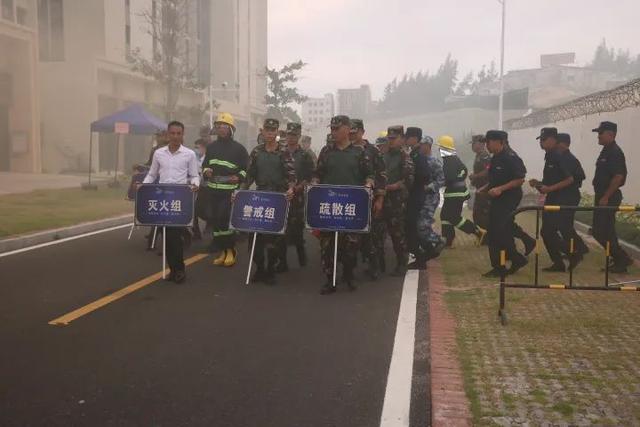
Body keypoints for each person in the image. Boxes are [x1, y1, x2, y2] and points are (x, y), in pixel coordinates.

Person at [313, 115, 374, 295]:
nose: (333, 132)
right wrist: (315, 182)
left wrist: (369, 184)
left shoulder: (359, 152)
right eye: (331, 129)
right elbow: (317, 173)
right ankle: (329, 279)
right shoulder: (326, 151)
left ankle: (348, 275)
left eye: (337, 129)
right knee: (327, 246)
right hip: (329, 206)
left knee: (350, 246)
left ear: (348, 129)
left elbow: (370, 174)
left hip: (351, 207)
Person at [141, 121, 200, 283]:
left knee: (174, 235)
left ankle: (179, 270)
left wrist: (195, 185)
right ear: (167, 134)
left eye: (178, 133)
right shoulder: (159, 153)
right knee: (166, 235)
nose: (175, 136)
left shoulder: (189, 154)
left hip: (179, 199)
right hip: (162, 199)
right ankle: (173, 270)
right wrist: (144, 188)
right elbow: (152, 174)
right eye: (172, 133)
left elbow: (195, 175)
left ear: (183, 135)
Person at [242, 118, 296, 285]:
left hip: (278, 198)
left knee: (275, 238)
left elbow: (291, 175)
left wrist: (291, 189)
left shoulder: (284, 152)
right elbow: (249, 175)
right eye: (267, 130)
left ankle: (271, 269)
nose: (270, 133)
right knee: (256, 236)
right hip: (260, 197)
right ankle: (259, 268)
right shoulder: (257, 152)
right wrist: (240, 190)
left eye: (273, 130)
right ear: (263, 132)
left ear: (277, 132)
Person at [528, 127, 580, 272]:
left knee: (550, 231)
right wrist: (539, 185)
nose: (541, 143)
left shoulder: (558, 156)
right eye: (540, 140)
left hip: (562, 199)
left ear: (553, 139)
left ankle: (573, 253)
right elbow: (550, 181)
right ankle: (561, 261)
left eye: (544, 140)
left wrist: (549, 189)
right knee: (546, 232)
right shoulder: (550, 156)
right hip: (553, 198)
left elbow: (569, 179)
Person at [202, 112, 249, 267]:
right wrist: (206, 171)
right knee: (214, 220)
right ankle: (223, 251)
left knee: (224, 219)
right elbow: (205, 165)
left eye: (225, 127)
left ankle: (231, 250)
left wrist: (239, 177)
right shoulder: (211, 147)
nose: (221, 129)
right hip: (212, 190)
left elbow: (246, 169)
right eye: (219, 126)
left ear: (231, 129)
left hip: (229, 192)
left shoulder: (239, 149)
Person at [482, 130, 528, 277]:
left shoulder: (511, 157)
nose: (486, 145)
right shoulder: (495, 158)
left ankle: (515, 258)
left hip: (509, 198)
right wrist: (485, 188)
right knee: (495, 231)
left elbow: (520, 179)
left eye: (488, 142)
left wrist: (500, 189)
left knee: (500, 230)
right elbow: (495, 179)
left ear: (498, 141)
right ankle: (500, 265)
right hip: (497, 199)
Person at [591, 121, 633, 273]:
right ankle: (620, 259)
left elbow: (618, 176)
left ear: (610, 134)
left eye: (600, 133)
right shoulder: (606, 150)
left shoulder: (615, 152)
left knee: (602, 231)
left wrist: (606, 197)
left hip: (609, 197)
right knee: (602, 231)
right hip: (603, 196)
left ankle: (621, 259)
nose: (598, 136)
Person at [350, 118, 387, 280]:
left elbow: (381, 176)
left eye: (355, 132)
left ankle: (374, 267)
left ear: (362, 132)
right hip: (348, 201)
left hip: (368, 201)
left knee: (370, 237)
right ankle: (348, 271)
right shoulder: (344, 150)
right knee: (350, 238)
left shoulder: (373, 151)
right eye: (350, 132)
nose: (352, 135)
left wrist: (379, 200)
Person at [437, 135, 486, 247]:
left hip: (455, 193)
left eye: (440, 147)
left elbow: (448, 177)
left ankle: (478, 232)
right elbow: (464, 170)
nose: (439, 150)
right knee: (445, 216)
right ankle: (448, 240)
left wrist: (436, 182)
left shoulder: (450, 160)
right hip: (454, 193)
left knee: (453, 217)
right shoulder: (452, 158)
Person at [378, 128, 414, 276]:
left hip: (397, 202)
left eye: (394, 138)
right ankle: (378, 266)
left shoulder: (405, 157)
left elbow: (409, 181)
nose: (391, 140)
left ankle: (401, 263)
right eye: (389, 138)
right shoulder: (382, 156)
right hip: (381, 199)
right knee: (377, 234)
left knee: (397, 235)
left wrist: (394, 186)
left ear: (402, 139)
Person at [279, 122, 315, 271]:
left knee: (297, 228)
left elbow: (310, 176)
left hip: (298, 197)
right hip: (281, 196)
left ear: (299, 136)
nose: (291, 138)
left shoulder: (305, 155)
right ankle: (282, 262)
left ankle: (301, 253)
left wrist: (300, 187)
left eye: (294, 135)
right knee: (281, 230)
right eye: (289, 135)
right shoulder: (279, 153)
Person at [556, 132, 589, 266]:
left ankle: (578, 249)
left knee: (565, 225)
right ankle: (579, 247)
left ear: (563, 144)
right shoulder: (561, 158)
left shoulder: (569, 159)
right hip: (564, 195)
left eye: (557, 143)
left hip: (570, 196)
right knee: (564, 225)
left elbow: (581, 175)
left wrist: (569, 182)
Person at [413, 135, 445, 269]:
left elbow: (442, 180)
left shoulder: (434, 162)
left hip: (430, 198)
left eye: (423, 145)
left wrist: (429, 187)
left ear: (428, 146)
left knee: (422, 225)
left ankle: (438, 241)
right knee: (421, 223)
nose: (421, 147)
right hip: (420, 197)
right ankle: (428, 246)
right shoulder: (418, 160)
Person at [468, 135, 491, 233]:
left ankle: (491, 234)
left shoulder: (485, 155)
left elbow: (488, 170)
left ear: (481, 144)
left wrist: (476, 176)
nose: (472, 146)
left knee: (481, 214)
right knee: (477, 215)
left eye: (474, 143)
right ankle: (487, 235)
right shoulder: (478, 155)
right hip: (479, 189)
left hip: (485, 190)